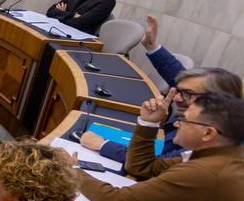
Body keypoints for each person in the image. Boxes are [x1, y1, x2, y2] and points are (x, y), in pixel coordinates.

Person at [76, 91, 244, 201]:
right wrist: (149, 123)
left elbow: (113, 199)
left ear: (208, 133)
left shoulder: (204, 173)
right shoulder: (226, 154)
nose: (178, 124)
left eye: (185, 120)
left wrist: (71, 171)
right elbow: (142, 167)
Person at [82, 15, 244, 163]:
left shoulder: (204, 134)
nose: (177, 98)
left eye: (186, 94)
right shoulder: (208, 108)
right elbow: (180, 76)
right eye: (179, 91)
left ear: (215, 101)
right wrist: (152, 46)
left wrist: (103, 145)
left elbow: (152, 165)